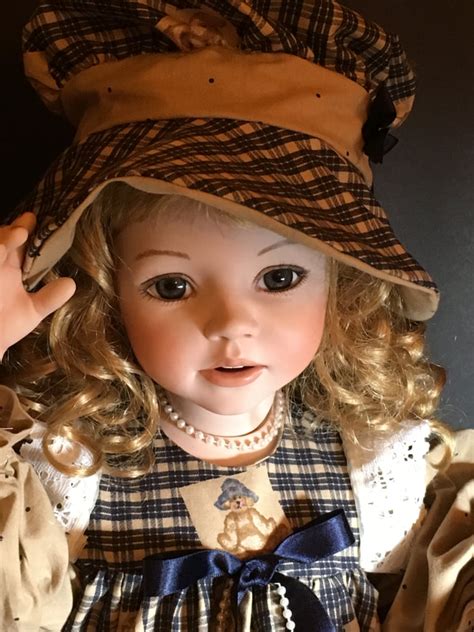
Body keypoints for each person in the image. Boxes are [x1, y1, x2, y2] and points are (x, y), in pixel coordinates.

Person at [1, 1, 470, 630]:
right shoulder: (70, 466)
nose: (230, 324)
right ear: (107, 295)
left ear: (342, 289)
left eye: (279, 278)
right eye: (172, 285)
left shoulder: (374, 461)